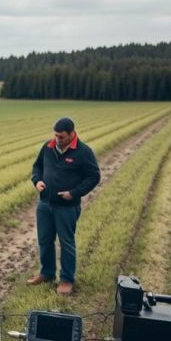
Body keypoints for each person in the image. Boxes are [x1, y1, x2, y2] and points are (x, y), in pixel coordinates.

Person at [28, 117, 101, 294]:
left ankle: (67, 280)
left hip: (67, 207)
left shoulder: (83, 152)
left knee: (66, 242)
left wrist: (74, 193)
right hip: (45, 203)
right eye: (55, 135)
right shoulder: (48, 147)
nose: (57, 139)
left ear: (71, 134)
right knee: (45, 240)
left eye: (61, 137)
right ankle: (47, 273)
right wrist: (37, 181)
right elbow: (37, 167)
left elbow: (94, 176)